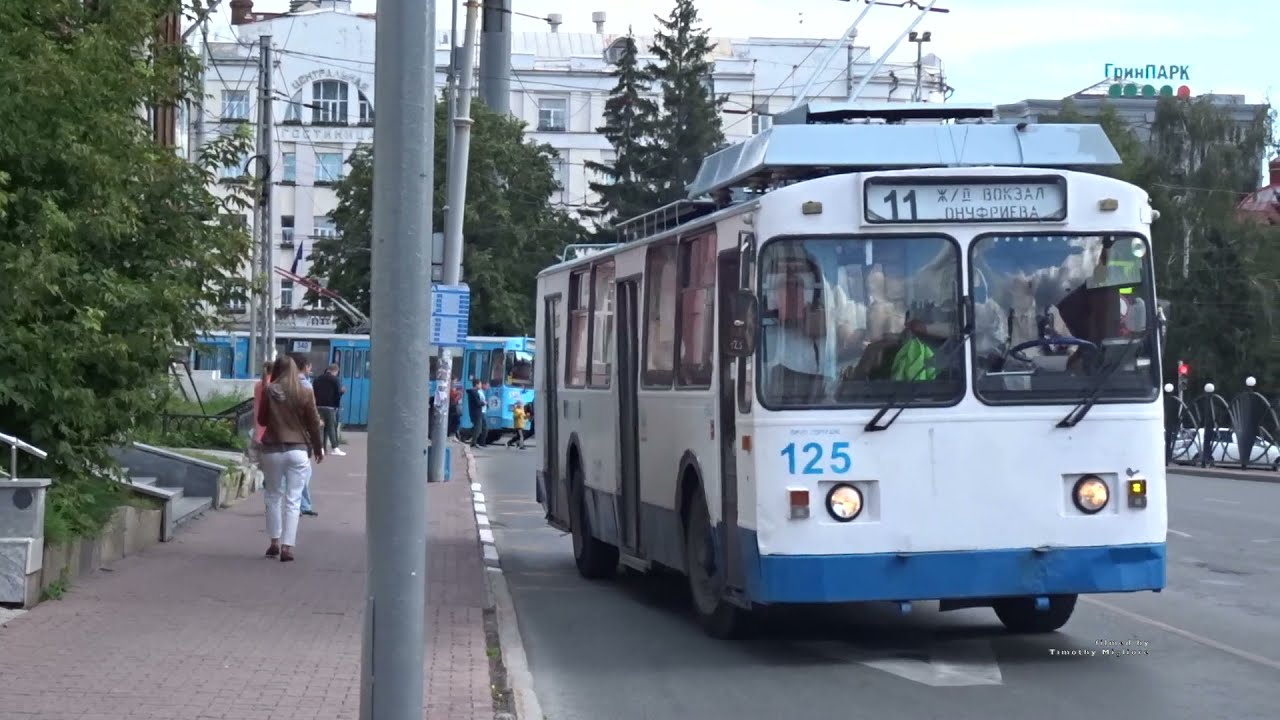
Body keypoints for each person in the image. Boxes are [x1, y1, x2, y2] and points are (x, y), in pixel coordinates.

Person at [257, 355, 324, 563]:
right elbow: (313, 422)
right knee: (293, 499)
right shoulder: (305, 391)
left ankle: (274, 542)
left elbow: (262, 420)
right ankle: (287, 547)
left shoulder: (269, 390)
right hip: (298, 450)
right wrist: (318, 447)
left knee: (272, 496)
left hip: (272, 449)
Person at [288, 353, 320, 516]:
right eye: (309, 366)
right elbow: (312, 417)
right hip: (300, 438)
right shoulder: (306, 386)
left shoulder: (278, 385)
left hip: (279, 439)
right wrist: (318, 447)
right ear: (304, 366)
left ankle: (301, 505)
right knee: (303, 473)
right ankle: (301, 506)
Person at [312, 363, 346, 457]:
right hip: (330, 407)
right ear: (336, 371)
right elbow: (338, 393)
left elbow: (313, 392)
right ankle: (335, 448)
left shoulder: (317, 379)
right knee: (331, 427)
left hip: (318, 406)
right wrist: (342, 392)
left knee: (320, 428)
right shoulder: (335, 379)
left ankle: (321, 449)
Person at [466, 378, 487, 447]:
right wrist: (483, 403)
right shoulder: (474, 393)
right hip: (476, 413)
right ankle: (464, 433)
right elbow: (477, 403)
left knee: (478, 428)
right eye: (480, 384)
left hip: (476, 412)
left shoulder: (475, 392)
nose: (481, 385)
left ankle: (473, 442)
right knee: (477, 428)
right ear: (476, 384)